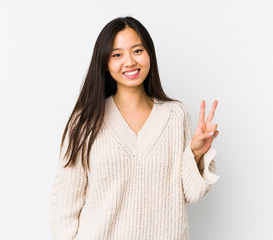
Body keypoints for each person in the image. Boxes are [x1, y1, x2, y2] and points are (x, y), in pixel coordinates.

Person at [49, 16, 220, 240]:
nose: (129, 62)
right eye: (117, 54)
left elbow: (191, 193)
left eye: (137, 51)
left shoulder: (175, 116)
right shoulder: (86, 121)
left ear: (150, 54)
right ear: (105, 63)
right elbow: (65, 207)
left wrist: (196, 152)